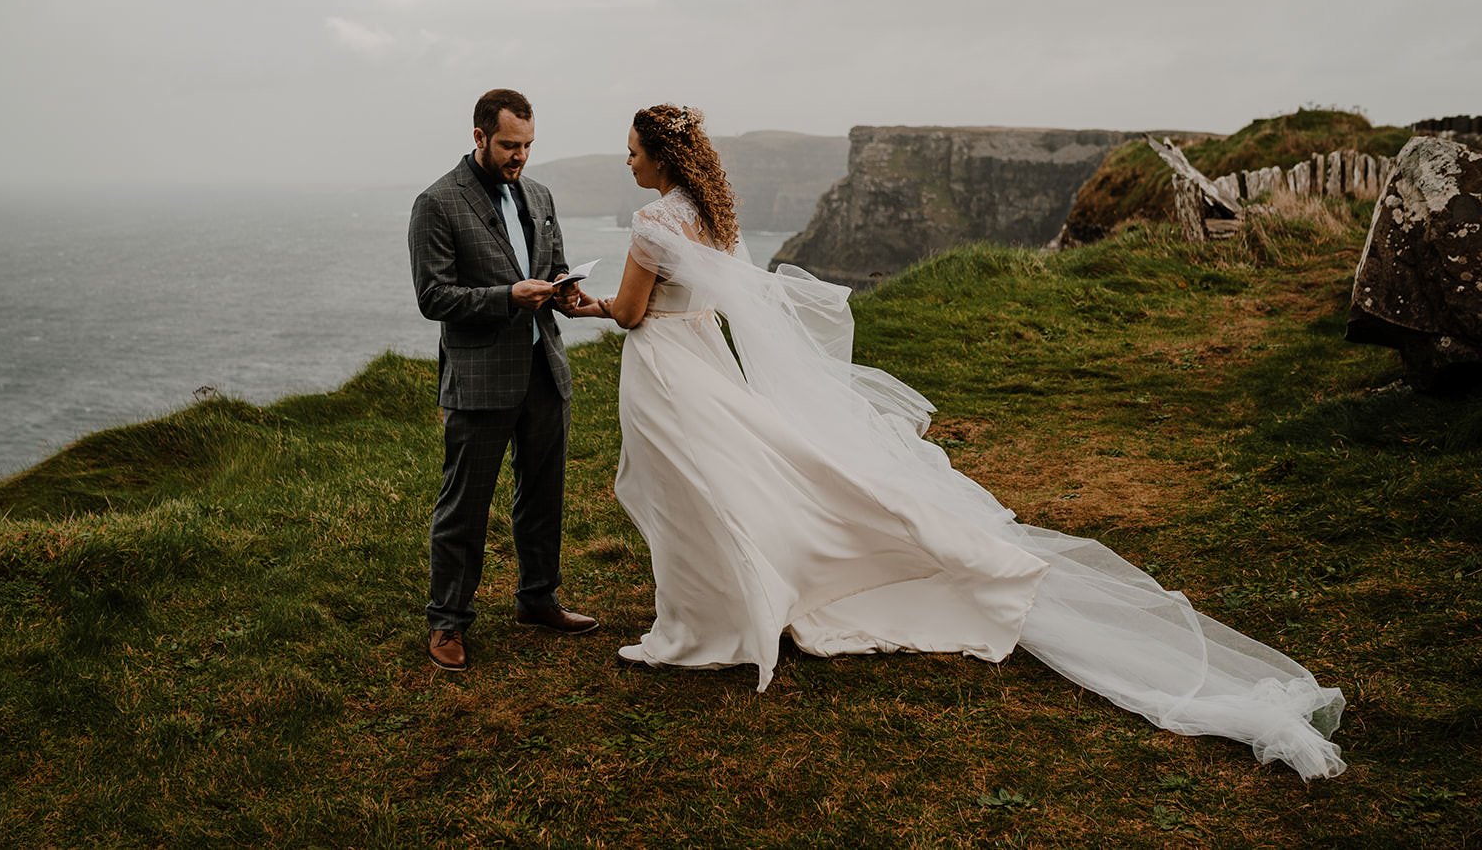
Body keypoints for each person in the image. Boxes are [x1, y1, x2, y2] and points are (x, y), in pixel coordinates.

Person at [563, 103, 1345, 780]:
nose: (626, 161)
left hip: (671, 368)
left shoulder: (653, 221)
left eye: (633, 151)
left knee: (696, 491)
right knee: (729, 482)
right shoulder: (710, 215)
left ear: (660, 157)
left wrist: (578, 301)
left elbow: (633, 313)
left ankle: (704, 623)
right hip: (707, 354)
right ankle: (728, 605)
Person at [408, 88, 598, 672]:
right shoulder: (437, 203)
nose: (520, 157)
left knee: (543, 495)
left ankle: (538, 600)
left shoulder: (538, 195)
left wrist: (566, 291)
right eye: (510, 145)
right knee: (464, 506)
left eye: (528, 146)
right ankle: (447, 622)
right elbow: (433, 297)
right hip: (481, 378)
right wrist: (506, 297)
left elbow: (554, 266)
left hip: (545, 370)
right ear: (479, 137)